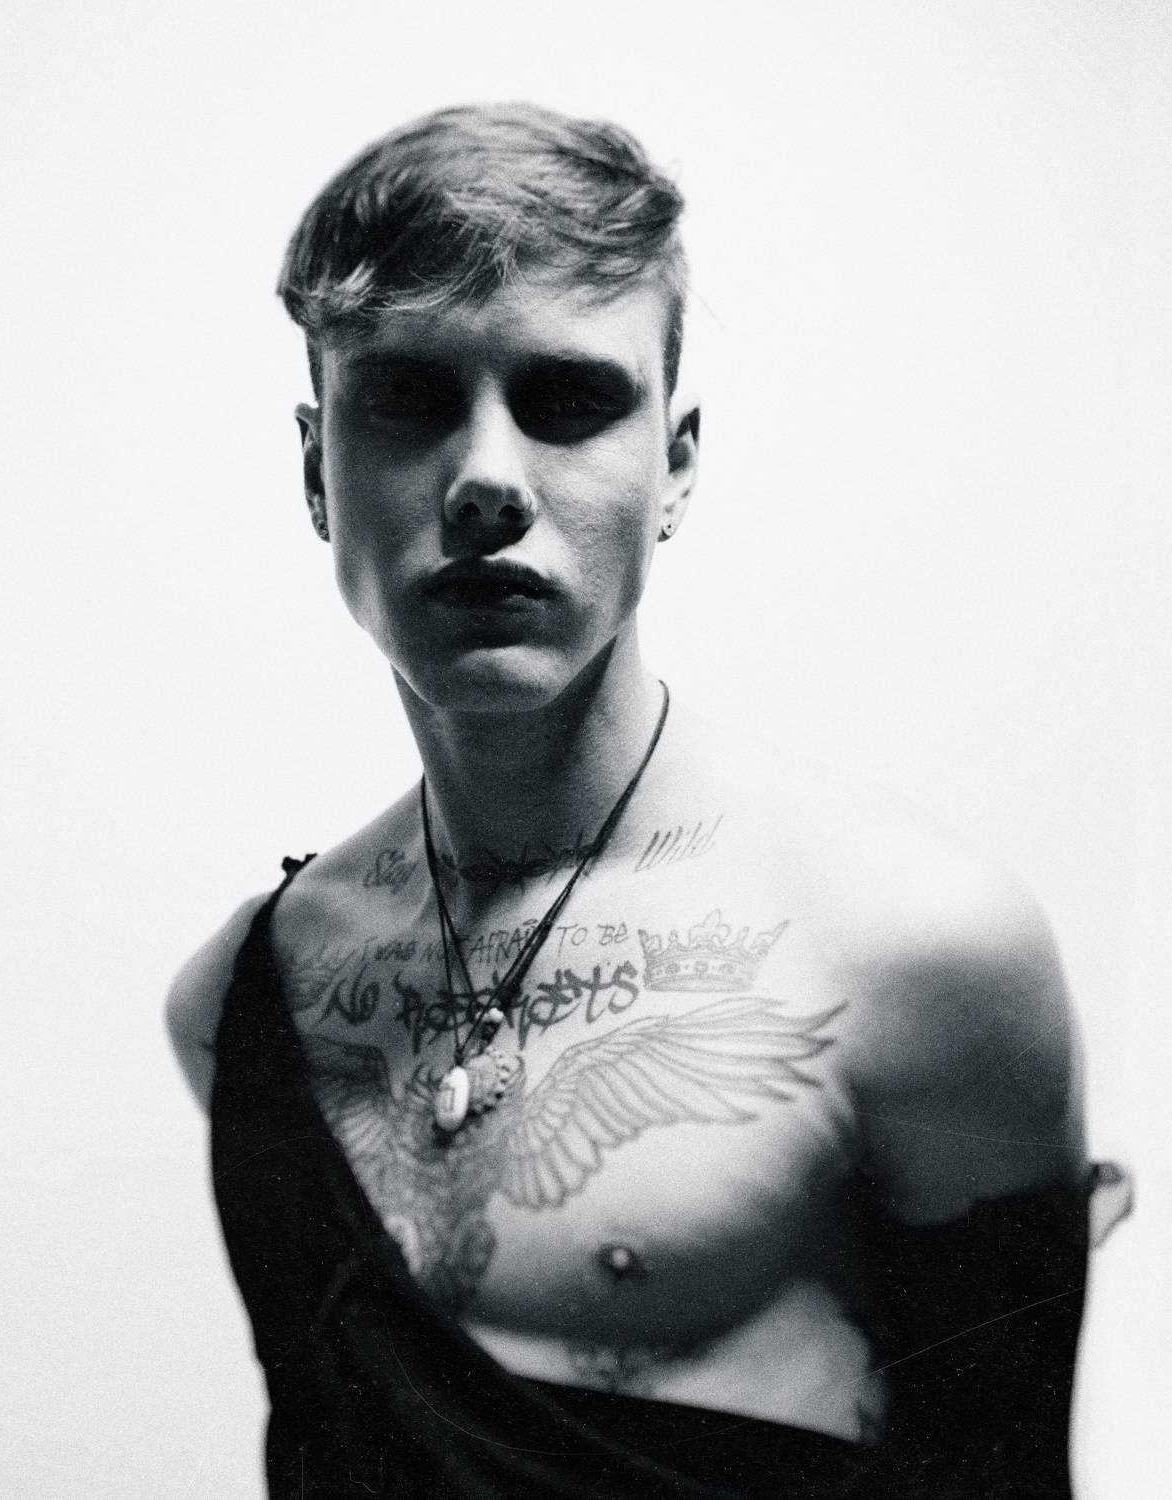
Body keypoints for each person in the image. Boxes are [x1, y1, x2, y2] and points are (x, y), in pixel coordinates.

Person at [167, 103, 1127, 1499]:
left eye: (568, 402)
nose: (487, 481)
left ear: (674, 464)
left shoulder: (919, 954)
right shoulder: (241, 1007)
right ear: (320, 470)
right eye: (409, 399)